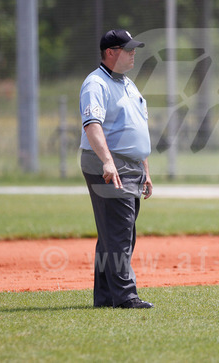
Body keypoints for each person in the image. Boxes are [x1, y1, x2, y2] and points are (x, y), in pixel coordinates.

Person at [79, 29, 154, 309]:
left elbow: (137, 127)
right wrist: (108, 162)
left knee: (114, 233)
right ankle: (125, 297)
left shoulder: (127, 83)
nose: (133, 53)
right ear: (110, 52)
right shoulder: (96, 83)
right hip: (109, 164)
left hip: (130, 165)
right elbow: (92, 125)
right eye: (128, 49)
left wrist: (145, 169)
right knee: (120, 232)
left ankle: (106, 296)